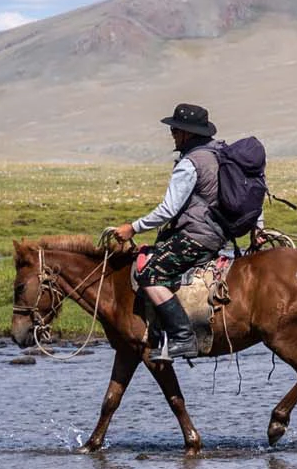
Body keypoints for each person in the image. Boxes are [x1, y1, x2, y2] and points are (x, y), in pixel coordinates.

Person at [102, 103, 248, 362]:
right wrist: (257, 227)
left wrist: (132, 228)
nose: (172, 134)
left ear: (187, 134)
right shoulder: (221, 154)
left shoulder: (190, 163)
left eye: (175, 129)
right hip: (217, 233)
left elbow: (168, 210)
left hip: (196, 236)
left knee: (150, 273)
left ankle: (182, 337)